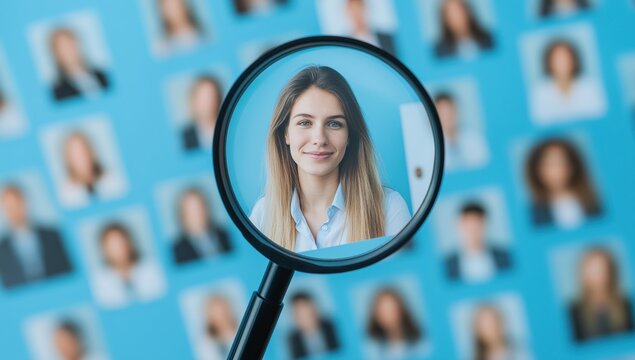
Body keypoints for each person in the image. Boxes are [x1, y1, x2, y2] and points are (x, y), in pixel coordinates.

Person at [249, 66, 411, 252]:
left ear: (350, 135)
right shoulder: (263, 216)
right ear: (285, 133)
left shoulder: (389, 208)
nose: (319, 139)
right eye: (305, 123)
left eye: (334, 124)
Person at [0, 184, 72, 289]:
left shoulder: (54, 236)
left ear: (25, 202)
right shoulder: (2, 249)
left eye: (17, 204)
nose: (14, 210)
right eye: (9, 207)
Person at [525, 138, 601, 229]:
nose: (557, 171)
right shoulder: (532, 213)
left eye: (562, 163)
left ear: (573, 166)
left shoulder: (594, 201)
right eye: (549, 164)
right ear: (537, 170)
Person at [531, 39, 605, 123]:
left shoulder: (590, 86)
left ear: (574, 60)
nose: (562, 63)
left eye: (566, 58)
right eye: (557, 60)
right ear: (549, 63)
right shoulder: (540, 91)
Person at [569, 247, 634, 342]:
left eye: (602, 269)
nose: (598, 275)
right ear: (584, 274)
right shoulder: (572, 313)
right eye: (593, 270)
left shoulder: (627, 305)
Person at [93, 222, 164, 308]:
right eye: (113, 244)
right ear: (104, 250)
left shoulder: (152, 268)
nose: (119, 248)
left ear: (129, 242)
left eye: (121, 241)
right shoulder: (98, 281)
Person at [445, 202, 511, 283]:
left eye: (476, 226)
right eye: (467, 226)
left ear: (485, 225)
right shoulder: (448, 265)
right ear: (459, 226)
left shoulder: (505, 257)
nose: (472, 231)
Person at [58, 130, 125, 208]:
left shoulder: (113, 179)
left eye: (84, 150)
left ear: (91, 151)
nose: (82, 157)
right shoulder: (65, 194)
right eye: (76, 154)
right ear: (68, 159)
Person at [172, 187, 232, 264]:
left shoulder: (225, 235)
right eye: (192, 212)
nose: (198, 215)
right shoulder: (177, 250)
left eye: (199, 208)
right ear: (183, 216)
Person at [48, 27, 109, 102]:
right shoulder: (58, 91)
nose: (69, 50)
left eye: (70, 43)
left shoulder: (102, 75)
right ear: (56, 53)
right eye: (63, 47)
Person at [365, 287, 424, 359]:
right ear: (376, 317)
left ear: (401, 310)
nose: (389, 315)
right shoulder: (371, 351)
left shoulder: (421, 344)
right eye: (384, 311)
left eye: (392, 309)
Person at [433, 92, 487, 170]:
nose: (448, 117)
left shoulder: (476, 140)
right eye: (443, 113)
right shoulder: (431, 149)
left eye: (450, 112)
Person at [287, 291, 339, 359]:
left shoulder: (330, 327)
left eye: (308, 313)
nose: (306, 318)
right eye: (301, 315)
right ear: (295, 317)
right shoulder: (293, 339)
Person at [181, 76, 223, 151]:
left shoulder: (225, 128)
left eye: (211, 97)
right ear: (194, 100)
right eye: (203, 98)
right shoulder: (185, 136)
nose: (207, 103)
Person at [201, 294, 238, 359]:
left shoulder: (239, 333)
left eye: (223, 311)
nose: (222, 316)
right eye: (217, 314)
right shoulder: (208, 344)